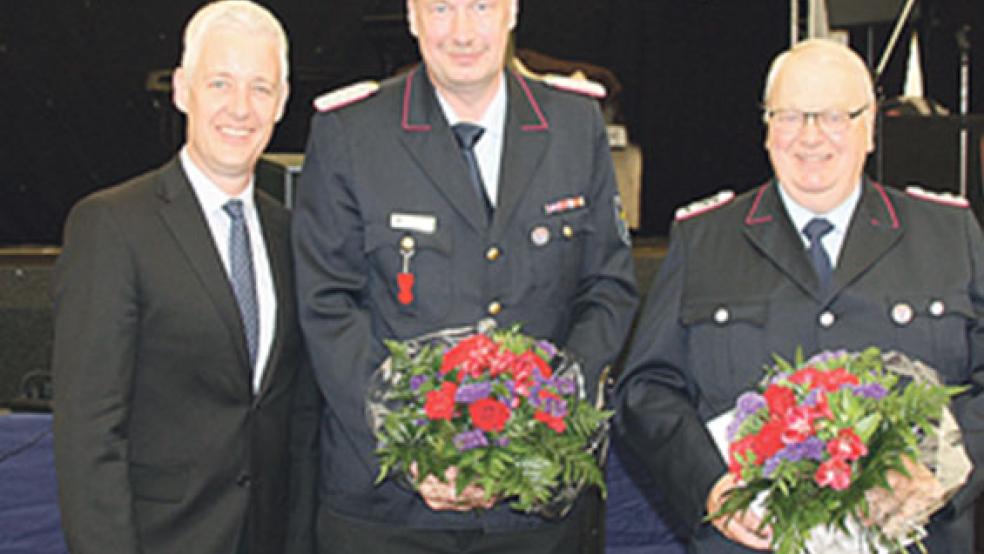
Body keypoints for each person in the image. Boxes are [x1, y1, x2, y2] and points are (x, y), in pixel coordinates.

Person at [292, 0, 639, 552]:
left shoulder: (574, 126)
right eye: (441, 8)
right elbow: (329, 304)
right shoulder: (350, 132)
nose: (460, 31)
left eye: (480, 6)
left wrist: (545, 422)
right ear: (411, 17)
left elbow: (608, 290)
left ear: (512, 12)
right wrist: (416, 447)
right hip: (388, 508)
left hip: (536, 508)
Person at [614, 38, 984, 553]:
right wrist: (710, 489)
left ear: (869, 126)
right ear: (766, 128)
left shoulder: (949, 235)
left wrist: (944, 470)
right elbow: (646, 390)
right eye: (789, 116)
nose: (810, 137)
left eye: (834, 116)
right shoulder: (704, 240)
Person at [52, 2, 319, 553]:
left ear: (282, 102)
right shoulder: (112, 225)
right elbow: (88, 434)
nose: (240, 108)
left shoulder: (290, 233)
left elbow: (294, 419)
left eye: (260, 88)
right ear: (181, 89)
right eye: (219, 83)